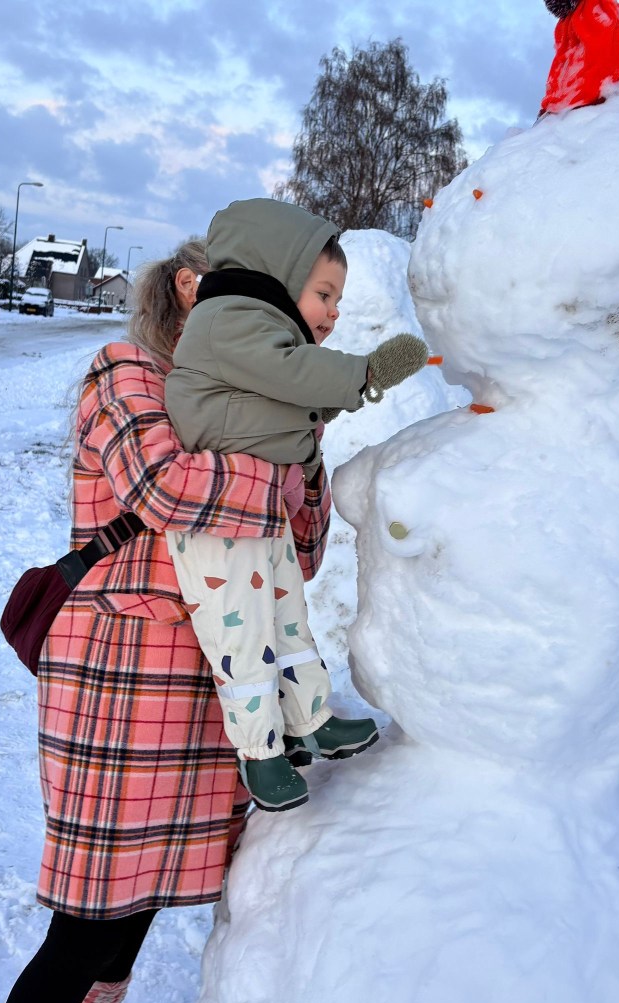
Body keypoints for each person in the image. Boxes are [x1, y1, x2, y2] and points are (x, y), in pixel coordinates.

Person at [0, 238, 334, 1003]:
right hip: (123, 674)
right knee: (88, 921)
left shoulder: (259, 410)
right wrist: (273, 467)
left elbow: (302, 552)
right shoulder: (128, 371)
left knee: (138, 908)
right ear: (191, 289)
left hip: (214, 679)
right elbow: (162, 484)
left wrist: (305, 442)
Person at [163, 197, 429, 812]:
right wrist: (366, 373)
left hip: (257, 509)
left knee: (287, 619)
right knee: (240, 632)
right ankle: (259, 753)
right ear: (276, 274)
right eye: (324, 294)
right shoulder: (227, 320)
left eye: (338, 300)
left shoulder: (263, 336)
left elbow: (287, 395)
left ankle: (309, 719)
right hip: (215, 519)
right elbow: (292, 375)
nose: (333, 312)